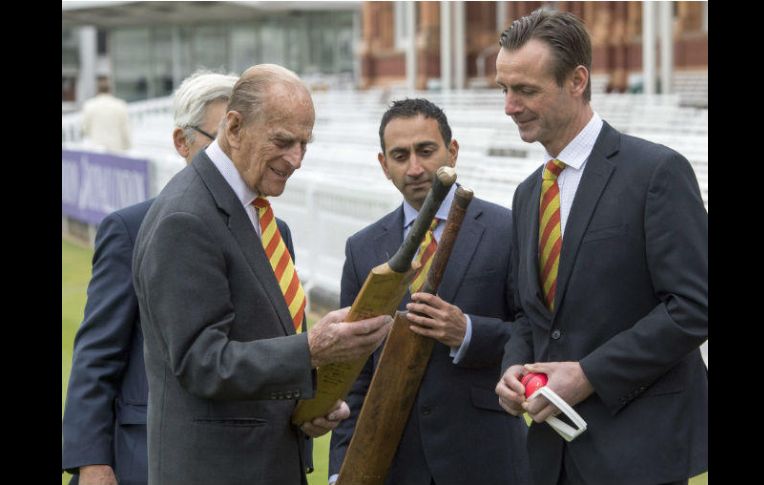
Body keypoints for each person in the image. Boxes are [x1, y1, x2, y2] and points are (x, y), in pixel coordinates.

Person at [131, 64, 393, 485]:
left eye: (304, 144)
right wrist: (311, 349)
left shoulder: (251, 210)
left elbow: (258, 342)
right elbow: (202, 362)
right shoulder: (187, 218)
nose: (296, 160)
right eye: (283, 141)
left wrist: (307, 403)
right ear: (234, 128)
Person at [493, 9, 707, 485]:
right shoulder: (529, 193)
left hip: (640, 454)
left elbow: (694, 307)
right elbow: (531, 316)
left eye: (525, 90)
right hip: (553, 457)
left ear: (577, 80)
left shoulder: (656, 173)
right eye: (504, 89)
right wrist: (512, 369)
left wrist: (589, 374)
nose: (509, 105)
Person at [329, 98, 531, 485]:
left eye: (426, 151)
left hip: (488, 460)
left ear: (452, 152)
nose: (416, 168)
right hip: (397, 464)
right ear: (383, 164)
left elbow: (534, 332)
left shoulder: (509, 229)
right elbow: (354, 373)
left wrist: (467, 331)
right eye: (400, 156)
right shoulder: (363, 248)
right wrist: (342, 469)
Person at [62, 70, 239, 485]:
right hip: (148, 457)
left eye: (244, 138)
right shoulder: (131, 228)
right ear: (183, 142)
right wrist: (92, 463)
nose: (235, 155)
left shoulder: (274, 233)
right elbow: (98, 353)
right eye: (222, 141)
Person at [81, 76, 132, 152]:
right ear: (110, 90)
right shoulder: (120, 105)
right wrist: (128, 147)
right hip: (117, 149)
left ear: (97, 90)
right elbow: (126, 130)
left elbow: (84, 129)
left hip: (96, 149)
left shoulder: (89, 105)